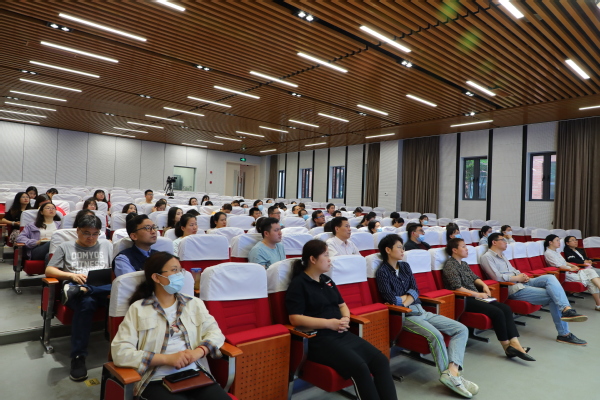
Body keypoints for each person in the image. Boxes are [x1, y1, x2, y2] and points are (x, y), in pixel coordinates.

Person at [286, 240, 397, 400]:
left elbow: (342, 305)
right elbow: (295, 318)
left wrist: (345, 318)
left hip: (341, 333)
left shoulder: (327, 280)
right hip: (319, 339)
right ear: (313, 259)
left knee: (380, 361)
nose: (329, 259)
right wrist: (329, 324)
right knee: (360, 368)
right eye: (326, 255)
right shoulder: (299, 284)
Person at [111, 252, 229, 400]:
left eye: (180, 270)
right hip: (155, 379)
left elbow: (216, 333)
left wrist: (198, 352)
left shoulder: (194, 303)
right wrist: (167, 359)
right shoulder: (138, 309)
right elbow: (120, 352)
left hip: (195, 374)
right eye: (174, 270)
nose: (179, 275)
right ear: (156, 277)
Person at [375, 234, 476, 398]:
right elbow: (391, 299)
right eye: (399, 247)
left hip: (421, 310)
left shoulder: (405, 266)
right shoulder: (382, 272)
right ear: (388, 250)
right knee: (436, 336)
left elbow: (415, 290)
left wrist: (405, 299)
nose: (403, 250)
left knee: (461, 329)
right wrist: (407, 299)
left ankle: (452, 372)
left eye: (402, 247)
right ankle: (451, 378)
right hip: (406, 316)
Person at [480, 233, 588, 345]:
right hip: (512, 287)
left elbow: (514, 270)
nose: (506, 242)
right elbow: (496, 277)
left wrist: (522, 276)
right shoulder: (487, 257)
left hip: (522, 281)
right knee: (554, 296)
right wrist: (517, 278)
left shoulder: (503, 256)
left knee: (550, 277)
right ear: (494, 242)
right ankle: (564, 334)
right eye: (503, 240)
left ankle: (566, 309)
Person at [45, 214, 112, 381]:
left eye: (95, 234)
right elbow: (49, 270)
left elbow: (114, 269)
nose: (91, 238)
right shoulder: (65, 246)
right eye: (86, 233)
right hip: (76, 287)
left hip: (100, 288)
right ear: (78, 231)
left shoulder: (106, 245)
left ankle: (85, 290)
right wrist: (72, 275)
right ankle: (78, 356)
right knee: (86, 302)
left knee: (122, 289)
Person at [443, 238, 534, 361]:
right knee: (497, 312)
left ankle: (515, 343)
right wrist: (478, 294)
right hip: (464, 299)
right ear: (454, 250)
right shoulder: (450, 265)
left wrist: (484, 286)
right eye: (463, 246)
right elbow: (457, 287)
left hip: (475, 295)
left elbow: (475, 278)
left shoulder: (463, 264)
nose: (466, 249)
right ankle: (506, 347)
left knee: (506, 308)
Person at [544, 234, 600, 311]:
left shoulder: (556, 252)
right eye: (557, 240)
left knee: (591, 272)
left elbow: (565, 262)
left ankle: (598, 305)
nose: (559, 242)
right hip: (563, 274)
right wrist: (571, 269)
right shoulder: (548, 253)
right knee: (590, 279)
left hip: (569, 270)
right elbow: (558, 266)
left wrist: (573, 266)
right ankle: (598, 305)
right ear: (550, 242)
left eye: (559, 240)